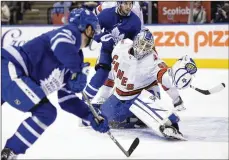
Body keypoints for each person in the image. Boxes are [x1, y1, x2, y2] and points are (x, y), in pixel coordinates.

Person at [1, 8, 109, 160]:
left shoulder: (76, 58)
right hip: (8, 67)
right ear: (88, 28)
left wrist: (90, 116)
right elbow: (60, 44)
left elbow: (67, 100)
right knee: (46, 111)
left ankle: (10, 152)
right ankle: (10, 152)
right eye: (93, 31)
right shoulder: (70, 33)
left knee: (46, 113)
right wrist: (77, 71)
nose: (94, 36)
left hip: (13, 77)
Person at [60, 30, 197, 140]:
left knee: (141, 101)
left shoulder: (153, 61)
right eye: (141, 44)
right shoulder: (121, 46)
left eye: (147, 46)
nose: (143, 49)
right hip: (121, 97)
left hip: (144, 94)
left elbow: (165, 79)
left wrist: (176, 97)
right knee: (109, 119)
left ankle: (169, 123)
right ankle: (137, 119)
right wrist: (100, 101)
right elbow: (111, 75)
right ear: (135, 41)